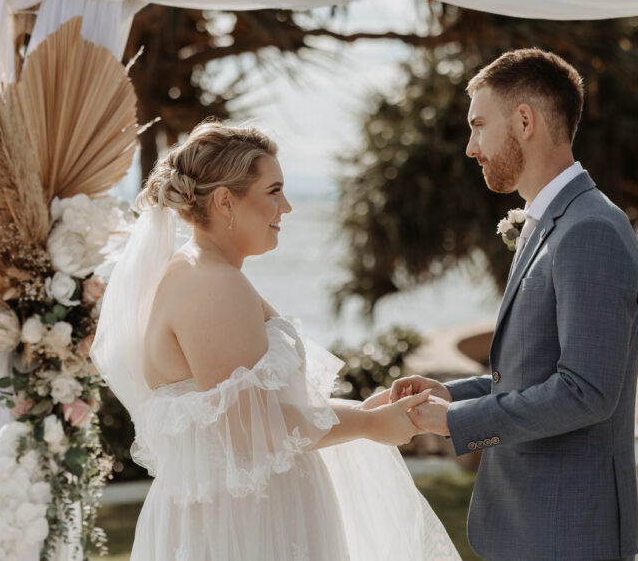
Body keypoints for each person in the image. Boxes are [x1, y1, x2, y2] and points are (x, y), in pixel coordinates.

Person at [91, 121, 459, 560]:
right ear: (226, 200)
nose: (286, 207)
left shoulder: (206, 272)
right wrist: (371, 427)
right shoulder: (210, 282)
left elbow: (261, 411)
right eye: (273, 191)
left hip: (254, 512)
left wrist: (364, 410)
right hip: (245, 525)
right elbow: (244, 424)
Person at [393, 49, 638, 561]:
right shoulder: (551, 222)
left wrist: (455, 423)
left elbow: (586, 392)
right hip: (530, 527)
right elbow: (534, 375)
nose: (471, 147)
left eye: (479, 125)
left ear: (524, 121)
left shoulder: (590, 229)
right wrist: (452, 394)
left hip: (567, 532)